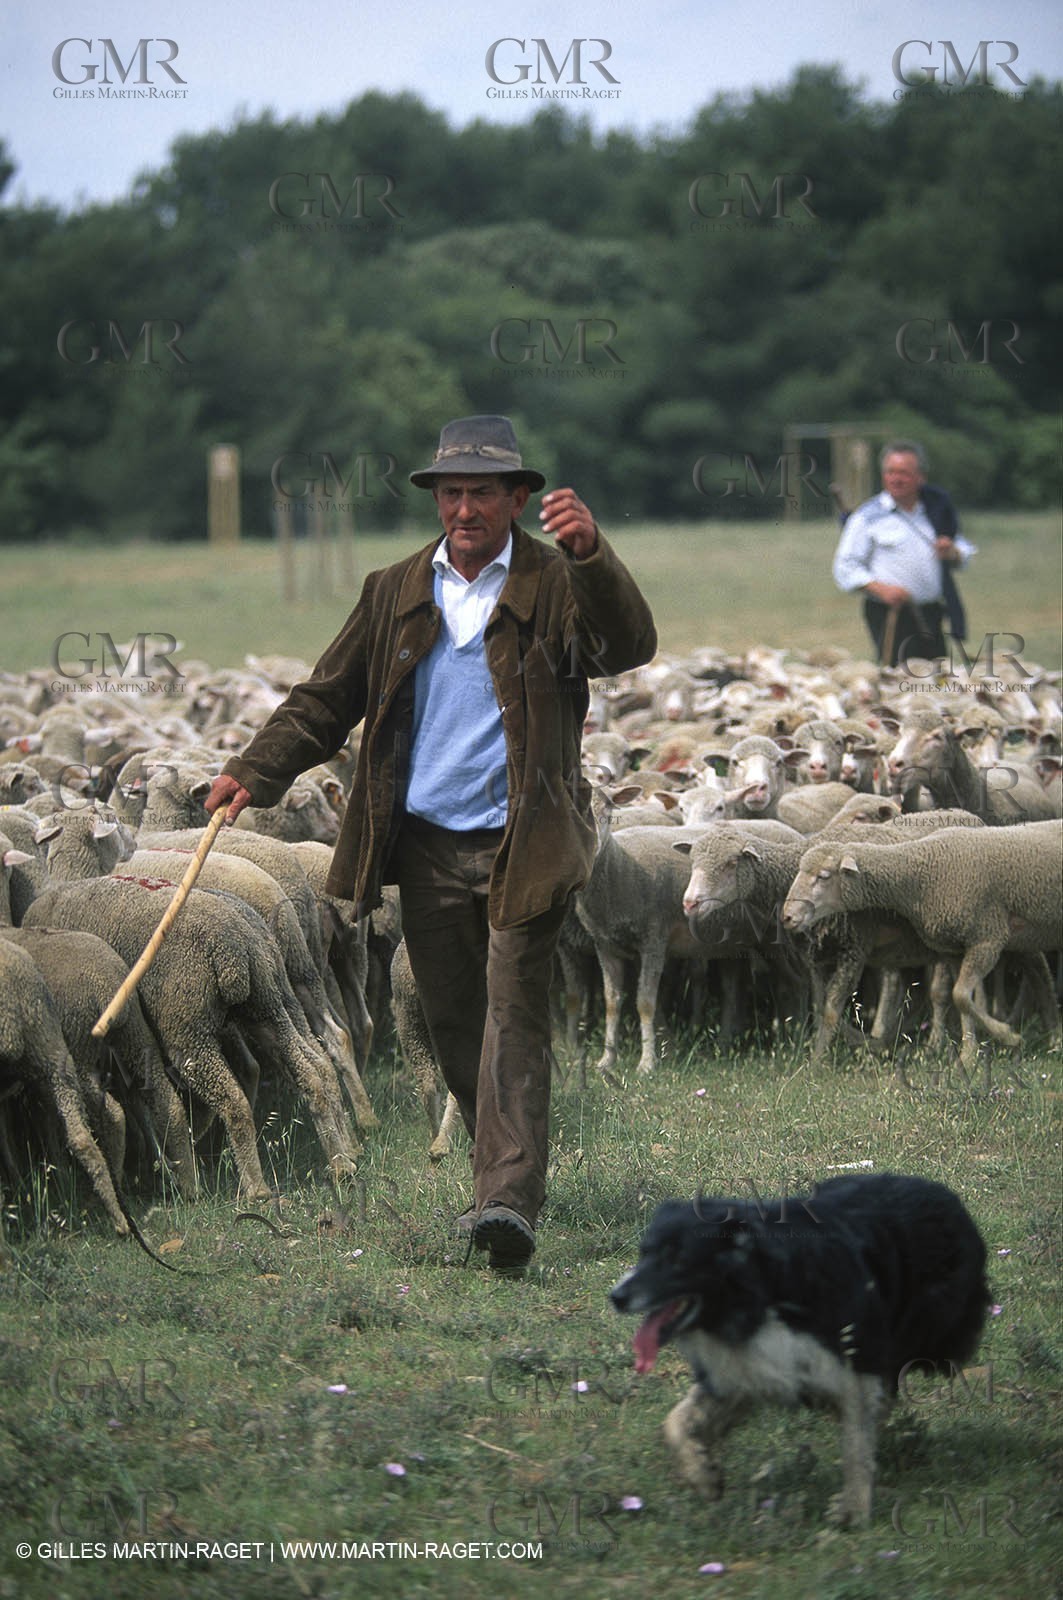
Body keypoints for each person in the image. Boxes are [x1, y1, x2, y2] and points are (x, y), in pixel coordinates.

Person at [205, 415, 657, 1276]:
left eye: (481, 492)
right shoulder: (395, 589)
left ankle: (504, 1203)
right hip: (423, 842)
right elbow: (325, 696)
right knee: (455, 1022)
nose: (462, 507)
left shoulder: (556, 584)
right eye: (450, 492)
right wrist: (253, 771)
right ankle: (503, 1171)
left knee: (513, 1014)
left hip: (528, 837)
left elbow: (626, 646)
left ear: (517, 499)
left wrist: (594, 555)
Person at [831, 441, 975, 667]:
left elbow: (964, 552)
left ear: (921, 477)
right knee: (901, 683)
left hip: (932, 613)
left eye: (904, 473)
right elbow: (846, 566)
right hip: (891, 614)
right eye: (890, 472)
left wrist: (953, 552)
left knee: (939, 681)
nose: (896, 479)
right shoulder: (866, 516)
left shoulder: (937, 510)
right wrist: (881, 589)